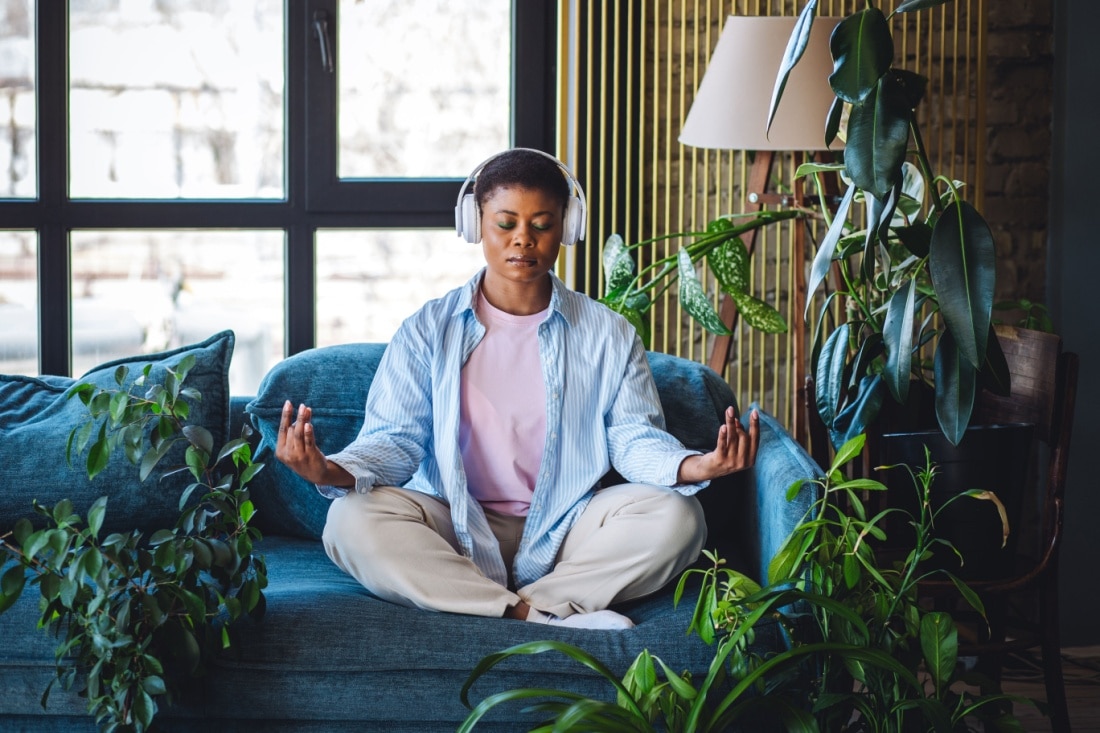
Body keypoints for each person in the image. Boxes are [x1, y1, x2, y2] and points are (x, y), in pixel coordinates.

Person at [275, 148, 759, 630]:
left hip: (567, 527)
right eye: (506, 224)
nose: (523, 240)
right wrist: (331, 470)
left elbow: (633, 438)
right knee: (349, 522)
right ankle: (537, 616)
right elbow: (397, 440)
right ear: (475, 223)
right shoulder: (427, 330)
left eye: (542, 224)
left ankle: (492, 603)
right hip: (453, 524)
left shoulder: (608, 334)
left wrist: (697, 465)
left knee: (680, 517)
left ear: (566, 227)